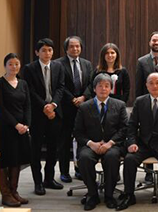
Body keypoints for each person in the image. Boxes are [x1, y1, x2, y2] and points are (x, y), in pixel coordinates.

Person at [117, 73, 158, 211]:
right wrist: (132, 142)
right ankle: (129, 195)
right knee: (129, 159)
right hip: (143, 144)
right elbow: (132, 125)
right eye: (151, 83)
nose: (154, 85)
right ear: (146, 85)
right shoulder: (140, 101)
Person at [73, 73, 128, 210]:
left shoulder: (120, 105)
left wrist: (110, 143)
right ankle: (93, 195)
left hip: (112, 144)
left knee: (111, 157)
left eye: (107, 86)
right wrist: (91, 143)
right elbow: (78, 132)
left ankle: (109, 195)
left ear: (111, 88)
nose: (103, 89)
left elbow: (124, 129)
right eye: (100, 86)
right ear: (94, 88)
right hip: (91, 144)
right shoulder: (84, 107)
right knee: (84, 158)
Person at [22, 38, 65, 195]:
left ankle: (49, 178)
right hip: (38, 114)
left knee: (53, 148)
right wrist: (44, 106)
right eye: (44, 50)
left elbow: (61, 87)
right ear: (37, 52)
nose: (47, 53)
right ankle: (38, 182)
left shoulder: (58, 66)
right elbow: (30, 91)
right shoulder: (29, 68)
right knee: (36, 148)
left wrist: (53, 105)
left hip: (55, 113)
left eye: (50, 50)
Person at [0, 53, 31, 207]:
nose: (14, 67)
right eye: (10, 64)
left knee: (16, 160)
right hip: (4, 128)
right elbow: (1, 108)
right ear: (5, 66)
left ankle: (14, 192)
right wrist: (16, 125)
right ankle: (5, 195)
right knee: (3, 161)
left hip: (21, 129)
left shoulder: (23, 84)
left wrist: (26, 124)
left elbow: (28, 106)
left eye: (16, 64)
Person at [56, 36, 93, 183]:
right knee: (64, 141)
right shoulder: (58, 64)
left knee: (82, 141)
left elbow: (91, 84)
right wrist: (72, 99)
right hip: (66, 108)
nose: (75, 49)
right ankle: (64, 172)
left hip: (83, 108)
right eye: (72, 46)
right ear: (66, 49)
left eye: (77, 46)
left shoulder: (87, 64)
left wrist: (83, 97)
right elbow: (60, 85)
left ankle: (80, 170)